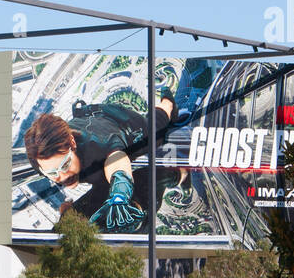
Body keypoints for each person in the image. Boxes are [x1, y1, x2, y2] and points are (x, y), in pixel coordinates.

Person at [23, 92, 185, 232]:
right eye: (52, 173)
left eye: (65, 165)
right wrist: (67, 212)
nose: (62, 176)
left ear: (72, 143)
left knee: (156, 130)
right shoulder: (40, 160)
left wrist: (120, 196)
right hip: (89, 120)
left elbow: (116, 161)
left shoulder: (98, 145)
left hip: (124, 125)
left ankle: (168, 101)